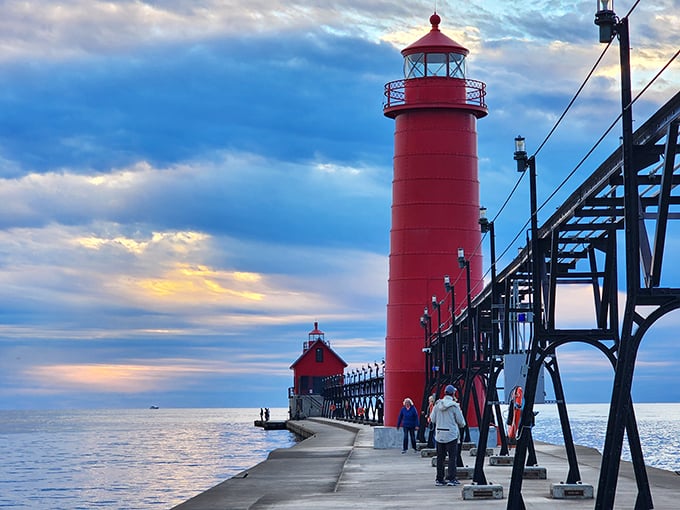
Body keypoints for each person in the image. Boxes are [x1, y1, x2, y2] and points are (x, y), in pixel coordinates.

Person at [429, 384, 466, 486]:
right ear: (453, 393)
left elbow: (432, 419)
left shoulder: (437, 405)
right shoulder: (454, 406)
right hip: (451, 435)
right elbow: (461, 422)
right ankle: (451, 478)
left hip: (439, 434)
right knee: (452, 457)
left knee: (440, 458)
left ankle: (439, 479)